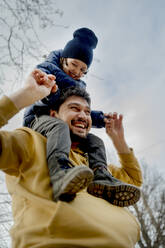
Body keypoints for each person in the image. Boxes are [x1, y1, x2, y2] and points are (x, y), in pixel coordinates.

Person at [0, 72, 142, 247]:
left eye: (87, 112)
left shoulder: (94, 163)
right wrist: (25, 95)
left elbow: (134, 180)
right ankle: (60, 174)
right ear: (53, 115)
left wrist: (119, 141)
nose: (83, 116)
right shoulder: (31, 143)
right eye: (74, 108)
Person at [23, 27, 140, 206]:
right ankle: (60, 172)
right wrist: (50, 93)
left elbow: (74, 111)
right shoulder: (47, 69)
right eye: (74, 64)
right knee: (60, 126)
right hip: (39, 118)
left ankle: (101, 176)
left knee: (94, 141)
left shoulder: (78, 86)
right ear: (63, 59)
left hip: (60, 122)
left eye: (83, 69)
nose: (77, 72)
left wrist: (99, 119)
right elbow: (40, 96)